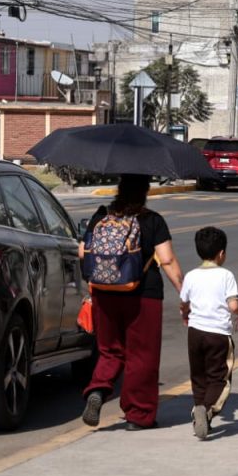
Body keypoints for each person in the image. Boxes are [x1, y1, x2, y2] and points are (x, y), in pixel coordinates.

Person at [80, 174, 184, 431]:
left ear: (119, 190)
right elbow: (167, 260)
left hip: (105, 291)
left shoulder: (101, 216)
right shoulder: (152, 220)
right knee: (142, 354)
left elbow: (83, 252)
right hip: (143, 293)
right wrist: (185, 294)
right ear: (145, 192)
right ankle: (139, 414)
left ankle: (98, 389)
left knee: (110, 350)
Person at [180, 226, 238, 440]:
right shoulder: (226, 275)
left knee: (199, 375)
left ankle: (200, 411)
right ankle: (206, 409)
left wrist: (185, 314)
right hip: (218, 334)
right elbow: (233, 306)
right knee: (219, 377)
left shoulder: (191, 276)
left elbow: (184, 304)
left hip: (195, 333)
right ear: (221, 253)